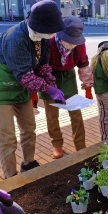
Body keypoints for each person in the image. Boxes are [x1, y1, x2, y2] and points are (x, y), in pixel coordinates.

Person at [0, 0, 65, 179]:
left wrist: (53, 86)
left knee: (29, 128)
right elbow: (25, 76)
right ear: (37, 25)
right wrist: (49, 91)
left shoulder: (42, 38)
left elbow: (43, 65)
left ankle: (28, 163)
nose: (52, 34)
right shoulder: (15, 37)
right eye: (50, 31)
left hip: (21, 90)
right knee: (7, 138)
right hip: (2, 90)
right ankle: (10, 177)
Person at [37, 16, 93, 159]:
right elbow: (40, 67)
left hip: (68, 76)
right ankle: (57, 144)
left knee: (76, 114)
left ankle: (80, 144)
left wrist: (87, 88)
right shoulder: (48, 43)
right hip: (48, 75)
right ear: (60, 35)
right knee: (52, 115)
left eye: (75, 41)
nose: (71, 44)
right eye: (69, 40)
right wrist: (49, 89)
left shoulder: (79, 45)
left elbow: (83, 64)